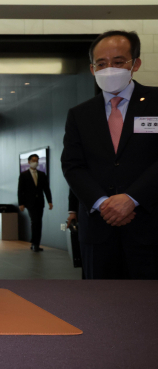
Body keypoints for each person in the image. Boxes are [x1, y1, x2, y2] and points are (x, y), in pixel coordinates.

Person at [61, 30, 158, 280]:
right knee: (98, 308)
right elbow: (73, 165)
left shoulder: (156, 102)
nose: (109, 69)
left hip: (149, 225)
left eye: (118, 62)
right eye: (101, 64)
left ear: (135, 63)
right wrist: (102, 203)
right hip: (98, 229)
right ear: (92, 69)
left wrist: (132, 198)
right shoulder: (80, 114)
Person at [17, 154, 53, 252]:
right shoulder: (24, 175)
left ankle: (36, 243)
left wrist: (50, 201)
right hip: (29, 203)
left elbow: (46, 189)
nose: (35, 162)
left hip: (40, 202)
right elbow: (20, 190)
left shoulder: (42, 174)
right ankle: (34, 243)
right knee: (35, 221)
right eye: (33, 160)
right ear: (29, 162)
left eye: (37, 160)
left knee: (39, 222)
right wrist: (21, 203)